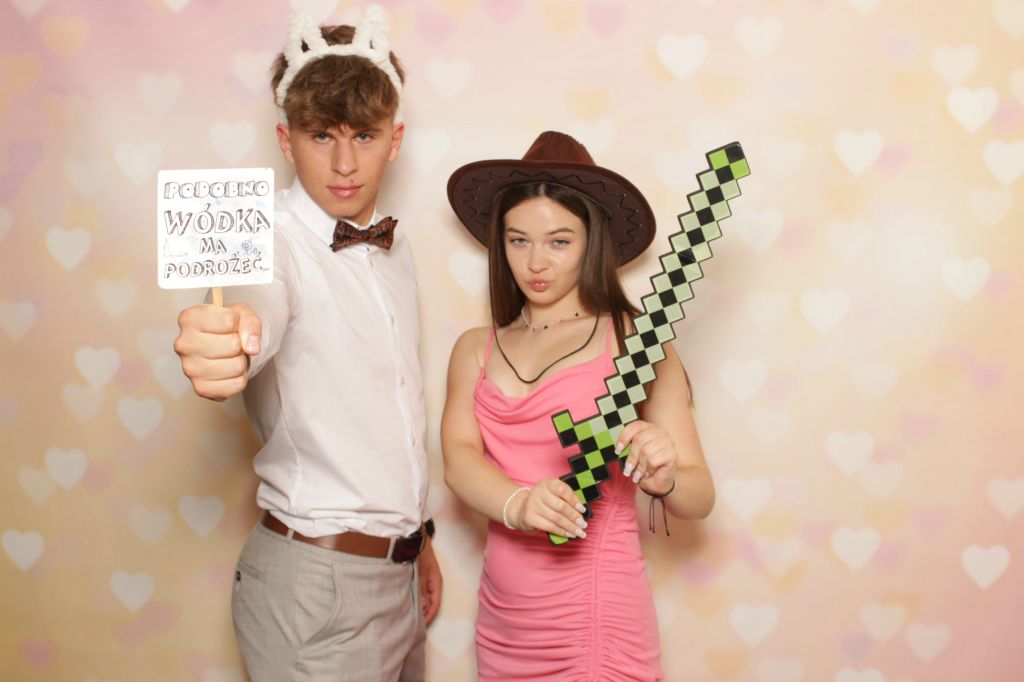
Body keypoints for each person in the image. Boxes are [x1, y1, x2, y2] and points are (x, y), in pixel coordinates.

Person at [172, 7, 440, 680]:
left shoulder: (396, 249)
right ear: (286, 142)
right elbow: (255, 303)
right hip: (315, 591)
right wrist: (230, 338)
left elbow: (386, 419)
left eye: (364, 136)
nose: (345, 164)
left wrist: (418, 539)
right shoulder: (265, 241)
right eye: (322, 135)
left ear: (395, 140)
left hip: (400, 576)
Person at [441, 131, 715, 680]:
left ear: (592, 243)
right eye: (519, 241)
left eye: (559, 242)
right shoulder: (475, 348)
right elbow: (459, 459)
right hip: (504, 622)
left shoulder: (635, 341)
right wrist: (518, 503)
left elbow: (699, 496)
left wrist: (664, 475)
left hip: (597, 620)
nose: (536, 262)